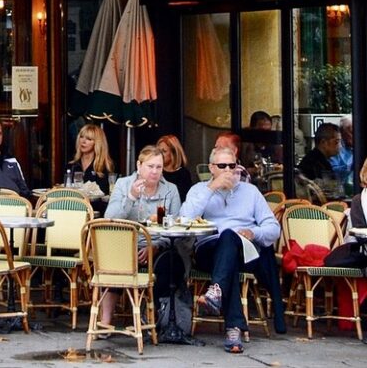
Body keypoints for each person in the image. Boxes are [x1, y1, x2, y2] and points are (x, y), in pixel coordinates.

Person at [180, 146, 286, 353]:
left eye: (232, 165)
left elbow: (273, 228)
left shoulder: (250, 191)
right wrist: (212, 188)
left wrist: (254, 233)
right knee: (228, 242)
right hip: (208, 249)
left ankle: (223, 307)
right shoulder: (199, 190)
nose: (228, 170)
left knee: (230, 245)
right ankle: (232, 325)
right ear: (211, 168)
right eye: (222, 166)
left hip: (245, 249)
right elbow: (184, 220)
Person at [102, 145, 183, 327]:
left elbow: (176, 225)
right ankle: (105, 321)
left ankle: (151, 311)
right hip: (126, 244)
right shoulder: (124, 185)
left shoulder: (171, 190)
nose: (154, 172)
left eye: (159, 167)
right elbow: (110, 218)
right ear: (139, 166)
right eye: (150, 166)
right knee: (116, 263)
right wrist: (131, 196)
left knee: (172, 263)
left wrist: (154, 246)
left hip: (157, 245)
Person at [66, 123, 114, 196]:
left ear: (97, 143)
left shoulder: (104, 167)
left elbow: (106, 194)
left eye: (89, 139)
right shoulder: (71, 165)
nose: (83, 141)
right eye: (81, 137)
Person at [157, 134, 194, 200]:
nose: (160, 154)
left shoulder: (183, 174)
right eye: (158, 151)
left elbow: (183, 199)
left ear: (173, 153)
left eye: (164, 151)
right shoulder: (156, 171)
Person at [330, 117, 354, 185]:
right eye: (352, 132)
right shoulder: (335, 148)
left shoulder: (359, 147)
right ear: (342, 133)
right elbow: (332, 171)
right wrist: (350, 166)